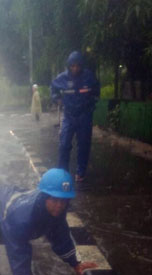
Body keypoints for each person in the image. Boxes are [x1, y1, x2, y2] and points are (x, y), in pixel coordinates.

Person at [51, 51, 100, 182]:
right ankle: (62, 173)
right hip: (69, 115)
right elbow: (53, 88)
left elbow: (96, 90)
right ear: (69, 66)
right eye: (72, 66)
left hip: (84, 116)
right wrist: (57, 99)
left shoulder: (89, 76)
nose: (75, 68)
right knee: (64, 144)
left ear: (81, 65)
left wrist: (91, 104)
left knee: (84, 144)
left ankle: (81, 172)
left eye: (78, 66)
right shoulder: (62, 78)